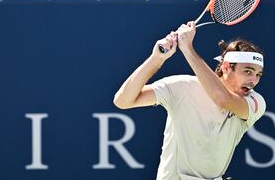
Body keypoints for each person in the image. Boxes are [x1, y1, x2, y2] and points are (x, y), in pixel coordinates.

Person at [113, 21, 266, 180]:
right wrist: (156, 58)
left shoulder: (255, 102)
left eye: (258, 75)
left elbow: (222, 98)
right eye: (248, 71)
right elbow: (123, 101)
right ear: (226, 67)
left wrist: (187, 48)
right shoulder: (181, 86)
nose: (253, 80)